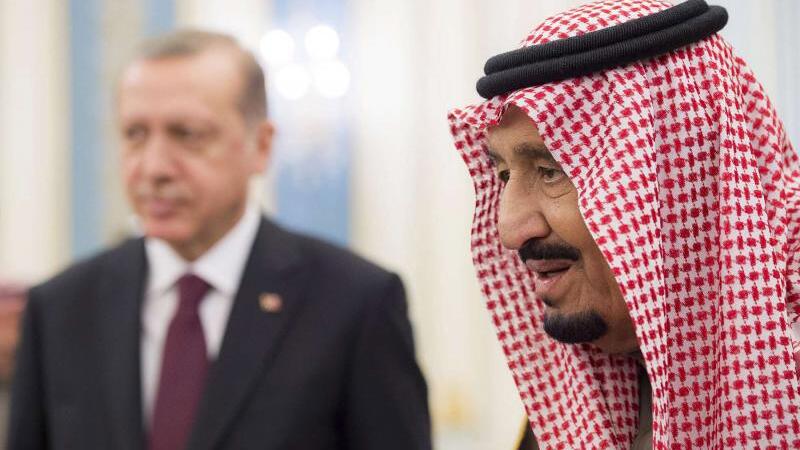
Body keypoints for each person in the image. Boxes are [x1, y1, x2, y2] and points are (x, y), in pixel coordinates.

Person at [9, 30, 431, 450]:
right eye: (135, 134)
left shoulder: (355, 303)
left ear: (260, 146)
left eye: (187, 134)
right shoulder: (60, 308)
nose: (154, 168)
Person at [449, 0, 800, 448]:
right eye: (503, 175)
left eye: (551, 171)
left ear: (682, 177)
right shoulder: (573, 414)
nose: (510, 229)